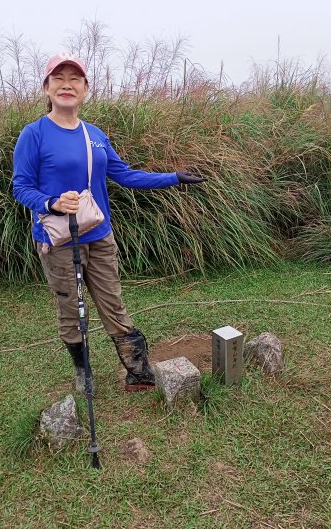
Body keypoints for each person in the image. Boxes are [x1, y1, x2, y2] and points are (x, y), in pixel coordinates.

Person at [12, 53, 205, 393]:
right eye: (58, 78)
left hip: (100, 236)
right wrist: (51, 202)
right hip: (58, 239)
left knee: (112, 303)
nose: (67, 84)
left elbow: (125, 175)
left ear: (86, 89)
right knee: (71, 309)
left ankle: (138, 372)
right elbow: (21, 186)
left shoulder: (95, 135)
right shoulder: (34, 134)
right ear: (46, 88)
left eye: (75, 78)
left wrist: (173, 177)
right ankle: (83, 372)